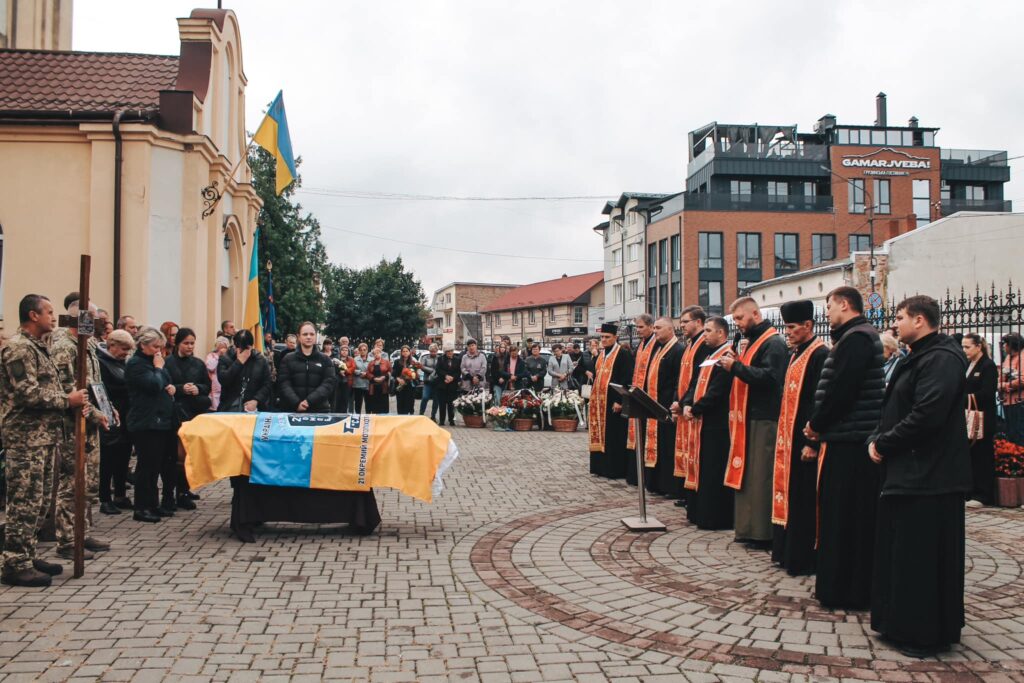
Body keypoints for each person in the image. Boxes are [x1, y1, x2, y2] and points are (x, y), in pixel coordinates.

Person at [869, 295, 971, 656]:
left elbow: (928, 414)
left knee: (924, 558)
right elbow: (896, 405)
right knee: (905, 554)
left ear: (920, 320)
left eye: (899, 317)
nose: (894, 324)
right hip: (909, 472)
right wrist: (879, 437)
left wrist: (886, 443)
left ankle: (923, 633)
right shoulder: (918, 355)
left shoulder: (941, 359)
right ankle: (899, 623)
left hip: (930, 476)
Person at [805, 286, 884, 609]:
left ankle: (846, 589)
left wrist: (817, 425)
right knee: (843, 515)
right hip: (847, 436)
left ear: (844, 304)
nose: (827, 312)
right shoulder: (855, 336)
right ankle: (841, 585)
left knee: (846, 518)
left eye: (829, 306)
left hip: (849, 440)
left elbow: (841, 390)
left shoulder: (857, 339)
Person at [1, 294, 88, 587]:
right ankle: (14, 562)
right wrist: (68, 400)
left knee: (38, 502)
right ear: (33, 315)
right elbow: (27, 393)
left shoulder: (40, 347)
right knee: (24, 501)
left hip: (45, 436)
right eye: (49, 312)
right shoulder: (18, 348)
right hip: (25, 438)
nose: (54, 316)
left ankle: (28, 553)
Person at [719, 297, 788, 548]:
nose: (737, 324)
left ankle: (762, 532)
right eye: (734, 319)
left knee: (760, 476)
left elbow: (770, 378)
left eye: (739, 318)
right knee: (748, 476)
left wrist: (735, 367)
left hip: (763, 418)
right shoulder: (754, 341)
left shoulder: (773, 342)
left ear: (755, 314)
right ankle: (747, 528)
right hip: (747, 417)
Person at [49, 300, 111, 560]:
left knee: (87, 485)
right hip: (73, 425)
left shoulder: (89, 345)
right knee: (72, 484)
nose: (98, 323)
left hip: (92, 421)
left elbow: (95, 384)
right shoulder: (65, 347)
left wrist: (108, 409)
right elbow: (68, 390)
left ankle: (82, 533)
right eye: (94, 318)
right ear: (81, 320)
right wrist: (98, 415)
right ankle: (67, 540)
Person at [770, 301, 828, 577]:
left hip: (803, 440)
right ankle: (785, 552)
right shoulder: (796, 354)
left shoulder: (820, 354)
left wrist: (812, 442)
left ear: (808, 325)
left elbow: (819, 402)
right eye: (786, 327)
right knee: (788, 494)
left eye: (792, 327)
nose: (787, 332)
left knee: (803, 499)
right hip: (787, 439)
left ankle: (803, 556)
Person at [677, 316, 734, 529]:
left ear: (721, 333)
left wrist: (696, 408)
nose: (706, 335)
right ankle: (697, 511)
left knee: (712, 470)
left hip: (715, 423)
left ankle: (713, 517)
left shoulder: (727, 356)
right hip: (700, 421)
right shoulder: (709, 355)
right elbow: (695, 383)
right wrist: (687, 402)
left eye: (709, 331)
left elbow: (718, 391)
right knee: (700, 467)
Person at [125, 327, 178, 523]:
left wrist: (167, 382)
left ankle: (153, 504)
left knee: (156, 466)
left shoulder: (153, 362)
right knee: (146, 467)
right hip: (146, 422)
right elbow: (154, 385)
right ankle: (142, 507)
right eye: (155, 346)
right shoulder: (136, 364)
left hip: (161, 421)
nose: (159, 351)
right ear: (143, 345)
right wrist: (158, 370)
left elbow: (165, 381)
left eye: (161, 347)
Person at [164, 328, 211, 509]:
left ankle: (185, 490)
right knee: (176, 455)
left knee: (189, 454)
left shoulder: (198, 364)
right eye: (186, 343)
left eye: (192, 343)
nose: (190, 346)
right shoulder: (169, 363)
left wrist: (197, 388)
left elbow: (207, 385)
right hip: (175, 412)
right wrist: (182, 388)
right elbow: (166, 384)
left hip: (193, 412)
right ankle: (173, 492)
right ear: (178, 344)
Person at [639, 317, 683, 496]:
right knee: (659, 446)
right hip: (655, 406)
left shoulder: (677, 350)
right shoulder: (659, 348)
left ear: (670, 329)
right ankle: (656, 483)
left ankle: (669, 486)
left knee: (667, 448)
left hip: (666, 406)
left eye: (658, 328)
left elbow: (677, 381)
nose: (655, 331)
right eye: (654, 328)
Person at [672, 306, 710, 506]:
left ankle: (691, 493)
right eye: (681, 321)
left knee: (693, 451)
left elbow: (697, 379)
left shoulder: (703, 344)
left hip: (692, 407)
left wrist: (685, 401)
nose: (682, 325)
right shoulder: (689, 344)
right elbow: (682, 377)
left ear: (698, 322)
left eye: (686, 321)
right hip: (684, 405)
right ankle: (686, 492)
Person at [588, 323, 634, 479]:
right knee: (600, 434)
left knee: (614, 436)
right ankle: (599, 467)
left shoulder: (623, 354)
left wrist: (621, 400)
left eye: (607, 337)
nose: (604, 340)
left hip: (613, 402)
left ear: (615, 337)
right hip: (599, 403)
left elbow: (627, 379)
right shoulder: (601, 354)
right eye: (602, 337)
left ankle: (614, 470)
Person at [97, 330, 135, 514]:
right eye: (123, 349)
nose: (125, 353)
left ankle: (120, 494)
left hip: (126, 415)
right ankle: (104, 497)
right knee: (108, 459)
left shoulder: (123, 363)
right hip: (110, 415)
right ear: (112, 345)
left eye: (128, 350)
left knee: (124, 456)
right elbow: (104, 388)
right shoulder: (101, 363)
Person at [962, 333, 998, 505]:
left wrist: (965, 397)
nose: (964, 350)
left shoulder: (988, 366)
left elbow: (988, 393)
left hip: (983, 416)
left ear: (979, 346)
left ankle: (983, 493)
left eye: (967, 347)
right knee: (971, 454)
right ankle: (970, 490)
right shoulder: (969, 364)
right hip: (970, 415)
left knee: (982, 454)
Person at [626, 314, 657, 486]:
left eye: (640, 327)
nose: (638, 330)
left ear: (651, 326)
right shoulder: (641, 345)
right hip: (638, 395)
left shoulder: (655, 344)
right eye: (636, 327)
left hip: (648, 397)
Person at [277, 322, 336, 413]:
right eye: (305, 334)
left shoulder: (325, 360)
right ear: (299, 337)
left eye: (312, 334)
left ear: (315, 336)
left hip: (319, 410)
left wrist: (309, 401)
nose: (308, 337)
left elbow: (328, 384)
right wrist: (296, 403)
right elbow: (284, 383)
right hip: (291, 409)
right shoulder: (288, 358)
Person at [217, 330, 273, 413]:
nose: (240, 352)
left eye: (244, 349)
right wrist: (239, 362)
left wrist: (256, 400)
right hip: (229, 407)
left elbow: (267, 384)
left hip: (254, 408)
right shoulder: (225, 358)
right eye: (238, 348)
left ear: (250, 347)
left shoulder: (260, 360)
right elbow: (223, 380)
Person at [999, 332, 1024, 445]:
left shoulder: (1022, 358)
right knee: (1010, 431)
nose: (1003, 346)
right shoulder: (1008, 358)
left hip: (1019, 400)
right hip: (1007, 400)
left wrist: (1004, 386)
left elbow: (1022, 379)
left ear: (1012, 345)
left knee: (1018, 431)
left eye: (1005, 344)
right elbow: (1002, 375)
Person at [435, 345, 460, 426]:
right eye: (448, 351)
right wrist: (446, 376)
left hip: (453, 384)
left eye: (451, 351)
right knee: (442, 403)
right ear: (445, 352)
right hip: (442, 384)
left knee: (451, 404)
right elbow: (438, 370)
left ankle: (451, 420)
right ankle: (442, 420)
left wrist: (452, 378)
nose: (450, 353)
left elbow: (458, 372)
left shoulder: (457, 359)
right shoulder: (440, 359)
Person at [363, 347, 392, 414]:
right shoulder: (371, 363)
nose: (376, 354)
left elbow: (390, 371)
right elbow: (367, 373)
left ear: (381, 353)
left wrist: (384, 377)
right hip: (373, 386)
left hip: (383, 386)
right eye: (374, 353)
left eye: (378, 353)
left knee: (384, 404)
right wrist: (374, 378)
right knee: (374, 405)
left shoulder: (386, 362)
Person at [392, 346, 419, 415]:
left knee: (409, 403)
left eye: (407, 351)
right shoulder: (397, 362)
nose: (405, 353)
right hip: (400, 385)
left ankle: (409, 418)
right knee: (400, 403)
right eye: (403, 351)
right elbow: (394, 373)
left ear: (409, 352)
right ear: (401, 353)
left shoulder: (413, 362)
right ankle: (401, 417)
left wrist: (410, 377)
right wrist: (399, 379)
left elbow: (415, 374)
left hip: (410, 385)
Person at [205, 337, 229, 411]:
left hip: (225, 387)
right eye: (220, 347)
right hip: (214, 388)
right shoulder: (211, 355)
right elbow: (210, 367)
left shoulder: (229, 357)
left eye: (224, 347)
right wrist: (218, 355)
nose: (222, 349)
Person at [419, 344, 439, 418]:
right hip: (427, 381)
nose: (433, 353)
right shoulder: (425, 358)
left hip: (437, 381)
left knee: (436, 400)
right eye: (431, 351)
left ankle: (433, 416)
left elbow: (440, 368)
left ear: (437, 351)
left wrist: (434, 371)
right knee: (425, 397)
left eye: (434, 351)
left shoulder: (439, 358)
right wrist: (433, 370)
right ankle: (421, 414)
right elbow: (422, 367)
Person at [335, 344, 356, 413]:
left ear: (348, 352)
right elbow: (333, 368)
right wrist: (339, 371)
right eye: (343, 350)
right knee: (337, 400)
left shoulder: (351, 359)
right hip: (337, 382)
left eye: (346, 350)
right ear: (340, 351)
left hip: (347, 383)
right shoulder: (336, 359)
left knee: (345, 400)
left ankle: (343, 415)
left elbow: (352, 369)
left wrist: (345, 370)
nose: (344, 352)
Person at [352, 343, 371, 414]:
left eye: (364, 350)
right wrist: (360, 372)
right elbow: (352, 369)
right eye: (361, 350)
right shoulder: (355, 359)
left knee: (368, 404)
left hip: (367, 384)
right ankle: (357, 418)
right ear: (359, 351)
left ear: (367, 350)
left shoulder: (371, 359)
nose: (363, 351)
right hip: (358, 384)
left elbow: (373, 370)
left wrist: (366, 374)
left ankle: (368, 418)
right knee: (358, 404)